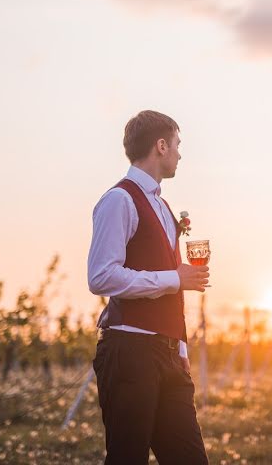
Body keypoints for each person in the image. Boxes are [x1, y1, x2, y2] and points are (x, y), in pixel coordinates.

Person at [87, 109, 210, 464]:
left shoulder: (163, 206)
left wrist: (181, 351)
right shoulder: (119, 200)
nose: (180, 153)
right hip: (130, 352)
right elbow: (101, 276)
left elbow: (167, 287)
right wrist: (175, 278)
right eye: (177, 144)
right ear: (160, 146)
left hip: (168, 356)